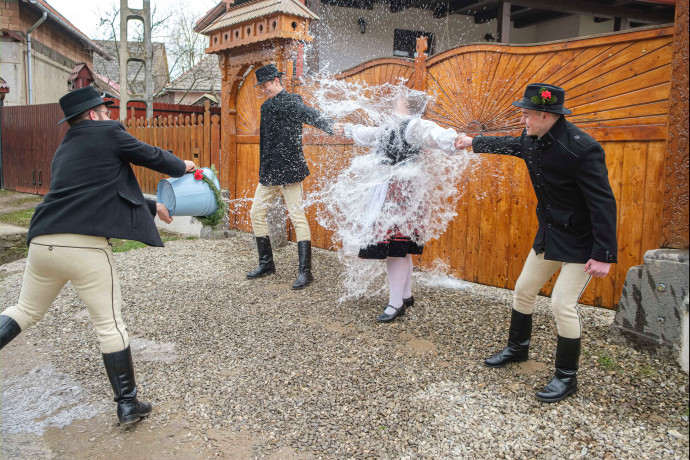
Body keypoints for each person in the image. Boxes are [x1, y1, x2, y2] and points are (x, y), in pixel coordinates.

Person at [0, 86, 196, 424]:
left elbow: (99, 191)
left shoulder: (65, 148)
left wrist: (153, 205)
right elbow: (151, 155)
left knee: (25, 310)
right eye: (106, 111)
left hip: (42, 241)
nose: (111, 116)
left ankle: (129, 404)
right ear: (93, 115)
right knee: (109, 324)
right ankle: (128, 405)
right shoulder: (108, 132)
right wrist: (183, 166)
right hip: (83, 247)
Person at [456, 83, 617, 403]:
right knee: (524, 289)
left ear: (546, 115)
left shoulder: (582, 148)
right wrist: (472, 142)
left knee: (562, 304)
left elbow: (604, 203)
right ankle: (517, 349)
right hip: (551, 233)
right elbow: (508, 144)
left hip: (583, 242)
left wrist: (604, 254)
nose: (522, 120)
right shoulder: (531, 139)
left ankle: (566, 377)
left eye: (527, 115)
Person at [333, 89, 461, 323]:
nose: (393, 104)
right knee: (399, 248)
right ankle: (406, 294)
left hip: (401, 196)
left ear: (409, 107)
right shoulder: (390, 126)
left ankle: (395, 304)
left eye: (398, 102)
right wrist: (348, 129)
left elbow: (434, 133)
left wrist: (454, 140)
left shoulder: (414, 126)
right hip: (390, 194)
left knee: (394, 250)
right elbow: (369, 134)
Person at [247, 63, 335, 290]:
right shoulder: (265, 108)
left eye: (265, 84)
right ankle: (266, 263)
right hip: (269, 171)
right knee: (256, 212)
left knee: (297, 216)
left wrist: (332, 126)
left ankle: (306, 272)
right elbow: (264, 143)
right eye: (262, 86)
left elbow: (311, 115)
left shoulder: (292, 101)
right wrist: (263, 171)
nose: (263, 88)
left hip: (290, 169)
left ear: (276, 81)